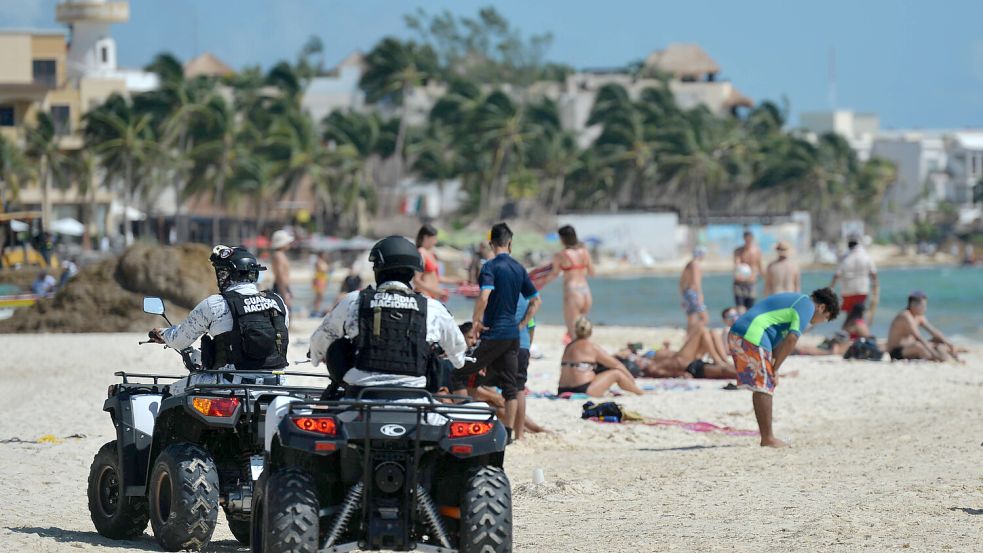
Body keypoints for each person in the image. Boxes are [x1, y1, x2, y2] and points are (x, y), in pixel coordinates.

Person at [309, 235, 467, 393]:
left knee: (338, 345)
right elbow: (458, 353)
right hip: (415, 397)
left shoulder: (354, 300)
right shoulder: (433, 307)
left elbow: (321, 339)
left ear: (377, 270)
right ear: (412, 274)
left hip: (359, 396)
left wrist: (316, 357)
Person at [151, 246, 290, 389]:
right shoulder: (278, 302)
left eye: (222, 272)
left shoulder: (215, 304)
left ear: (230, 274)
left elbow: (179, 340)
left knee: (170, 393)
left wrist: (163, 334)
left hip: (231, 384)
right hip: (279, 385)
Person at [450, 223, 541, 440]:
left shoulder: (490, 267)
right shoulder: (519, 268)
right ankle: (509, 433)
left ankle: (466, 420)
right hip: (513, 335)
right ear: (510, 243)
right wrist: (522, 324)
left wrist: (476, 321)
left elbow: (484, 296)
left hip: (494, 333)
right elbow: (536, 301)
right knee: (511, 386)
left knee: (460, 373)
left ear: (491, 244)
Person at [728, 288, 839, 447]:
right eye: (825, 318)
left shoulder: (798, 303)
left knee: (763, 385)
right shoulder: (807, 305)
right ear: (821, 307)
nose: (822, 322)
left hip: (740, 333)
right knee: (763, 387)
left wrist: (775, 367)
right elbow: (792, 339)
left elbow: (781, 341)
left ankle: (767, 437)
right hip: (752, 334)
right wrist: (775, 368)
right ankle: (768, 438)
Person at [558, 317, 644, 397]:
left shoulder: (568, 346)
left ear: (575, 330)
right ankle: (640, 392)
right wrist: (631, 380)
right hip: (583, 389)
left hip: (562, 389)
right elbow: (617, 365)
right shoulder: (592, 347)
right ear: (590, 332)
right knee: (616, 373)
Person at [619, 327, 736, 379]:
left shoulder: (642, 357)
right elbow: (660, 372)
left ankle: (723, 360)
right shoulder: (648, 367)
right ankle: (719, 360)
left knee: (712, 332)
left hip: (685, 359)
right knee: (701, 331)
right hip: (681, 360)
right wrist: (678, 374)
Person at [540, 225, 594, 338]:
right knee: (583, 330)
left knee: (573, 330)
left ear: (562, 238)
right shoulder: (584, 252)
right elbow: (592, 272)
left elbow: (554, 274)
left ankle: (575, 353)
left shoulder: (561, 255)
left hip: (573, 291)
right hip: (586, 291)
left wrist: (540, 283)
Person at [885, 291, 959, 362]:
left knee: (938, 341)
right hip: (897, 351)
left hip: (911, 347)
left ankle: (949, 356)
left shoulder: (919, 316)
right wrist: (933, 352)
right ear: (913, 305)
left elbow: (933, 331)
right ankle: (937, 357)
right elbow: (918, 337)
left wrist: (949, 344)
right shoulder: (905, 316)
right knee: (919, 346)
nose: (925, 309)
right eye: (923, 306)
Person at [830, 235, 878, 323]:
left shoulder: (844, 258)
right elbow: (873, 274)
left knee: (849, 313)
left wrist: (830, 289)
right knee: (859, 313)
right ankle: (857, 333)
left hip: (847, 291)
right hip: (862, 290)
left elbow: (836, 275)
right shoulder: (866, 256)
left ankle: (849, 333)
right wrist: (875, 289)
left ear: (849, 246)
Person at [413, 224, 459, 301]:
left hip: (431, 297)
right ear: (426, 237)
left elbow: (435, 278)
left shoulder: (430, 253)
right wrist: (436, 291)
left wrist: (457, 281)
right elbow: (416, 280)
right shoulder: (421, 253)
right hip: (424, 297)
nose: (435, 242)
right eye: (434, 239)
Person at [679, 246, 709, 336]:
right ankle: (693, 336)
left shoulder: (689, 264)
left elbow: (681, 282)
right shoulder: (695, 264)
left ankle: (688, 338)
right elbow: (696, 281)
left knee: (691, 320)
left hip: (687, 293)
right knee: (704, 319)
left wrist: (683, 296)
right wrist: (700, 294)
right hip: (693, 293)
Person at [733, 230, 764, 310]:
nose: (748, 241)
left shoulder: (757, 251)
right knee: (740, 308)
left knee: (750, 308)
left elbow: (760, 266)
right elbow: (737, 264)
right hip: (739, 282)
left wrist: (766, 278)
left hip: (751, 283)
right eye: (746, 239)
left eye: (750, 239)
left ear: (752, 239)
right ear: (743, 239)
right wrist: (738, 274)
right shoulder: (738, 251)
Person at [270, 229, 294, 311]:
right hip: (281, 287)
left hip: (282, 286)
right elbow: (280, 275)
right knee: (286, 312)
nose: (289, 244)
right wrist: (284, 293)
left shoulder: (280, 255)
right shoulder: (278, 256)